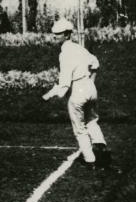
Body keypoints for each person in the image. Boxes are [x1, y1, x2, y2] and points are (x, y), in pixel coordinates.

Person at [42, 19, 110, 167]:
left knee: (80, 129)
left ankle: (90, 160)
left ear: (66, 35)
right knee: (91, 119)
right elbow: (95, 63)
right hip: (90, 88)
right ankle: (100, 143)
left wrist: (51, 94)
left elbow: (65, 82)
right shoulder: (80, 48)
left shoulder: (64, 53)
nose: (55, 36)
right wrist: (91, 81)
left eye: (58, 34)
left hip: (77, 91)